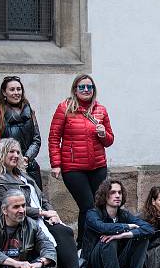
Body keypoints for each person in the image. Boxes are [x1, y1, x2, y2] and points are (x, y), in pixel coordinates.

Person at [0, 139, 100, 268]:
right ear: (0, 155)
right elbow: (10, 206)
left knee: (64, 234)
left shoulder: (25, 177)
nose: (15, 156)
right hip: (20, 227)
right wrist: (42, 212)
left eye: (18, 152)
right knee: (60, 243)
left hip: (40, 222)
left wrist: (51, 212)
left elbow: (42, 198)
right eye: (10, 152)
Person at [48, 74, 114, 247]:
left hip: (98, 166)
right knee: (87, 206)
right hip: (73, 168)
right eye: (82, 87)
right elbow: (54, 137)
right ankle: (83, 245)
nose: (86, 90)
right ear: (75, 89)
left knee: (98, 206)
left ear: (93, 90)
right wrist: (56, 164)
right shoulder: (65, 108)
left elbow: (109, 140)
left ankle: (93, 243)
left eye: (89, 87)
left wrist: (103, 134)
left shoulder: (101, 110)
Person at [82, 179, 153, 268]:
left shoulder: (123, 214)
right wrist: (126, 226)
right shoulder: (93, 213)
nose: (117, 195)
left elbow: (149, 228)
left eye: (119, 192)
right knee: (109, 240)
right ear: (105, 195)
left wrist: (123, 235)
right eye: (113, 192)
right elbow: (102, 228)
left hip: (118, 264)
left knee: (142, 238)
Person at [0, 76, 43, 189]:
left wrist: (27, 158)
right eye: (12, 89)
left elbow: (36, 139)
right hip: (5, 168)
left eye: (19, 89)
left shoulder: (30, 112)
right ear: (4, 92)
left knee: (35, 202)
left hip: (28, 166)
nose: (16, 92)